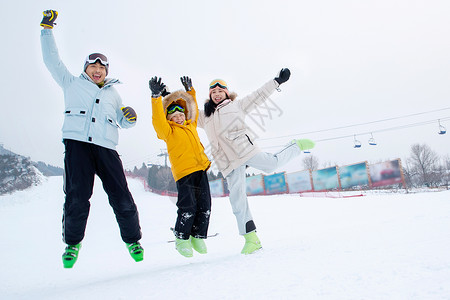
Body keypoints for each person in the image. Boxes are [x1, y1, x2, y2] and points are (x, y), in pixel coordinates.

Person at [40, 10, 143, 268]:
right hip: (77, 147)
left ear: (106, 71)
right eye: (93, 66)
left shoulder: (113, 94)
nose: (97, 70)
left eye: (101, 67)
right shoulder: (72, 83)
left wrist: (130, 117)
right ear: (85, 68)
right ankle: (72, 244)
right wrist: (46, 29)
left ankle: (132, 240)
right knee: (77, 196)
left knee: (121, 195)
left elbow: (123, 121)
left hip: (107, 149)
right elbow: (52, 61)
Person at [198, 69, 315, 254]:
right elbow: (183, 114)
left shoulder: (237, 106)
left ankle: (295, 146)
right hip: (227, 162)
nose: (217, 94)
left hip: (244, 150)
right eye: (213, 92)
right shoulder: (204, 116)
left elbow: (259, 95)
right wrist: (166, 97)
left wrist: (277, 81)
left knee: (272, 165)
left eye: (220, 91)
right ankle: (251, 239)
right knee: (237, 200)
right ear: (209, 96)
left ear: (227, 93)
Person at [149, 76, 212, 258]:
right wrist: (155, 98)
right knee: (188, 206)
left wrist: (190, 91)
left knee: (205, 205)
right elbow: (158, 120)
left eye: (181, 114)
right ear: (169, 118)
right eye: (174, 116)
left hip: (201, 170)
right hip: (184, 173)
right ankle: (181, 238)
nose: (178, 118)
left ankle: (197, 236)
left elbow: (193, 109)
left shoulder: (190, 124)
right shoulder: (168, 131)